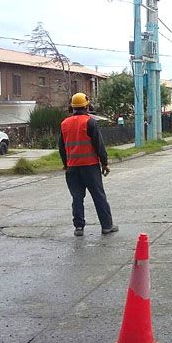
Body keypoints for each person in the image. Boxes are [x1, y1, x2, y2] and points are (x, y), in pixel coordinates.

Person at [59, 92, 118, 236]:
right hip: (90, 167)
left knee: (77, 198)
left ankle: (79, 227)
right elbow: (99, 145)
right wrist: (104, 163)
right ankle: (106, 226)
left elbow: (62, 148)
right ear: (87, 106)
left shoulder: (64, 124)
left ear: (72, 107)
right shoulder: (90, 122)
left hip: (72, 168)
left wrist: (66, 165)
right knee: (98, 196)